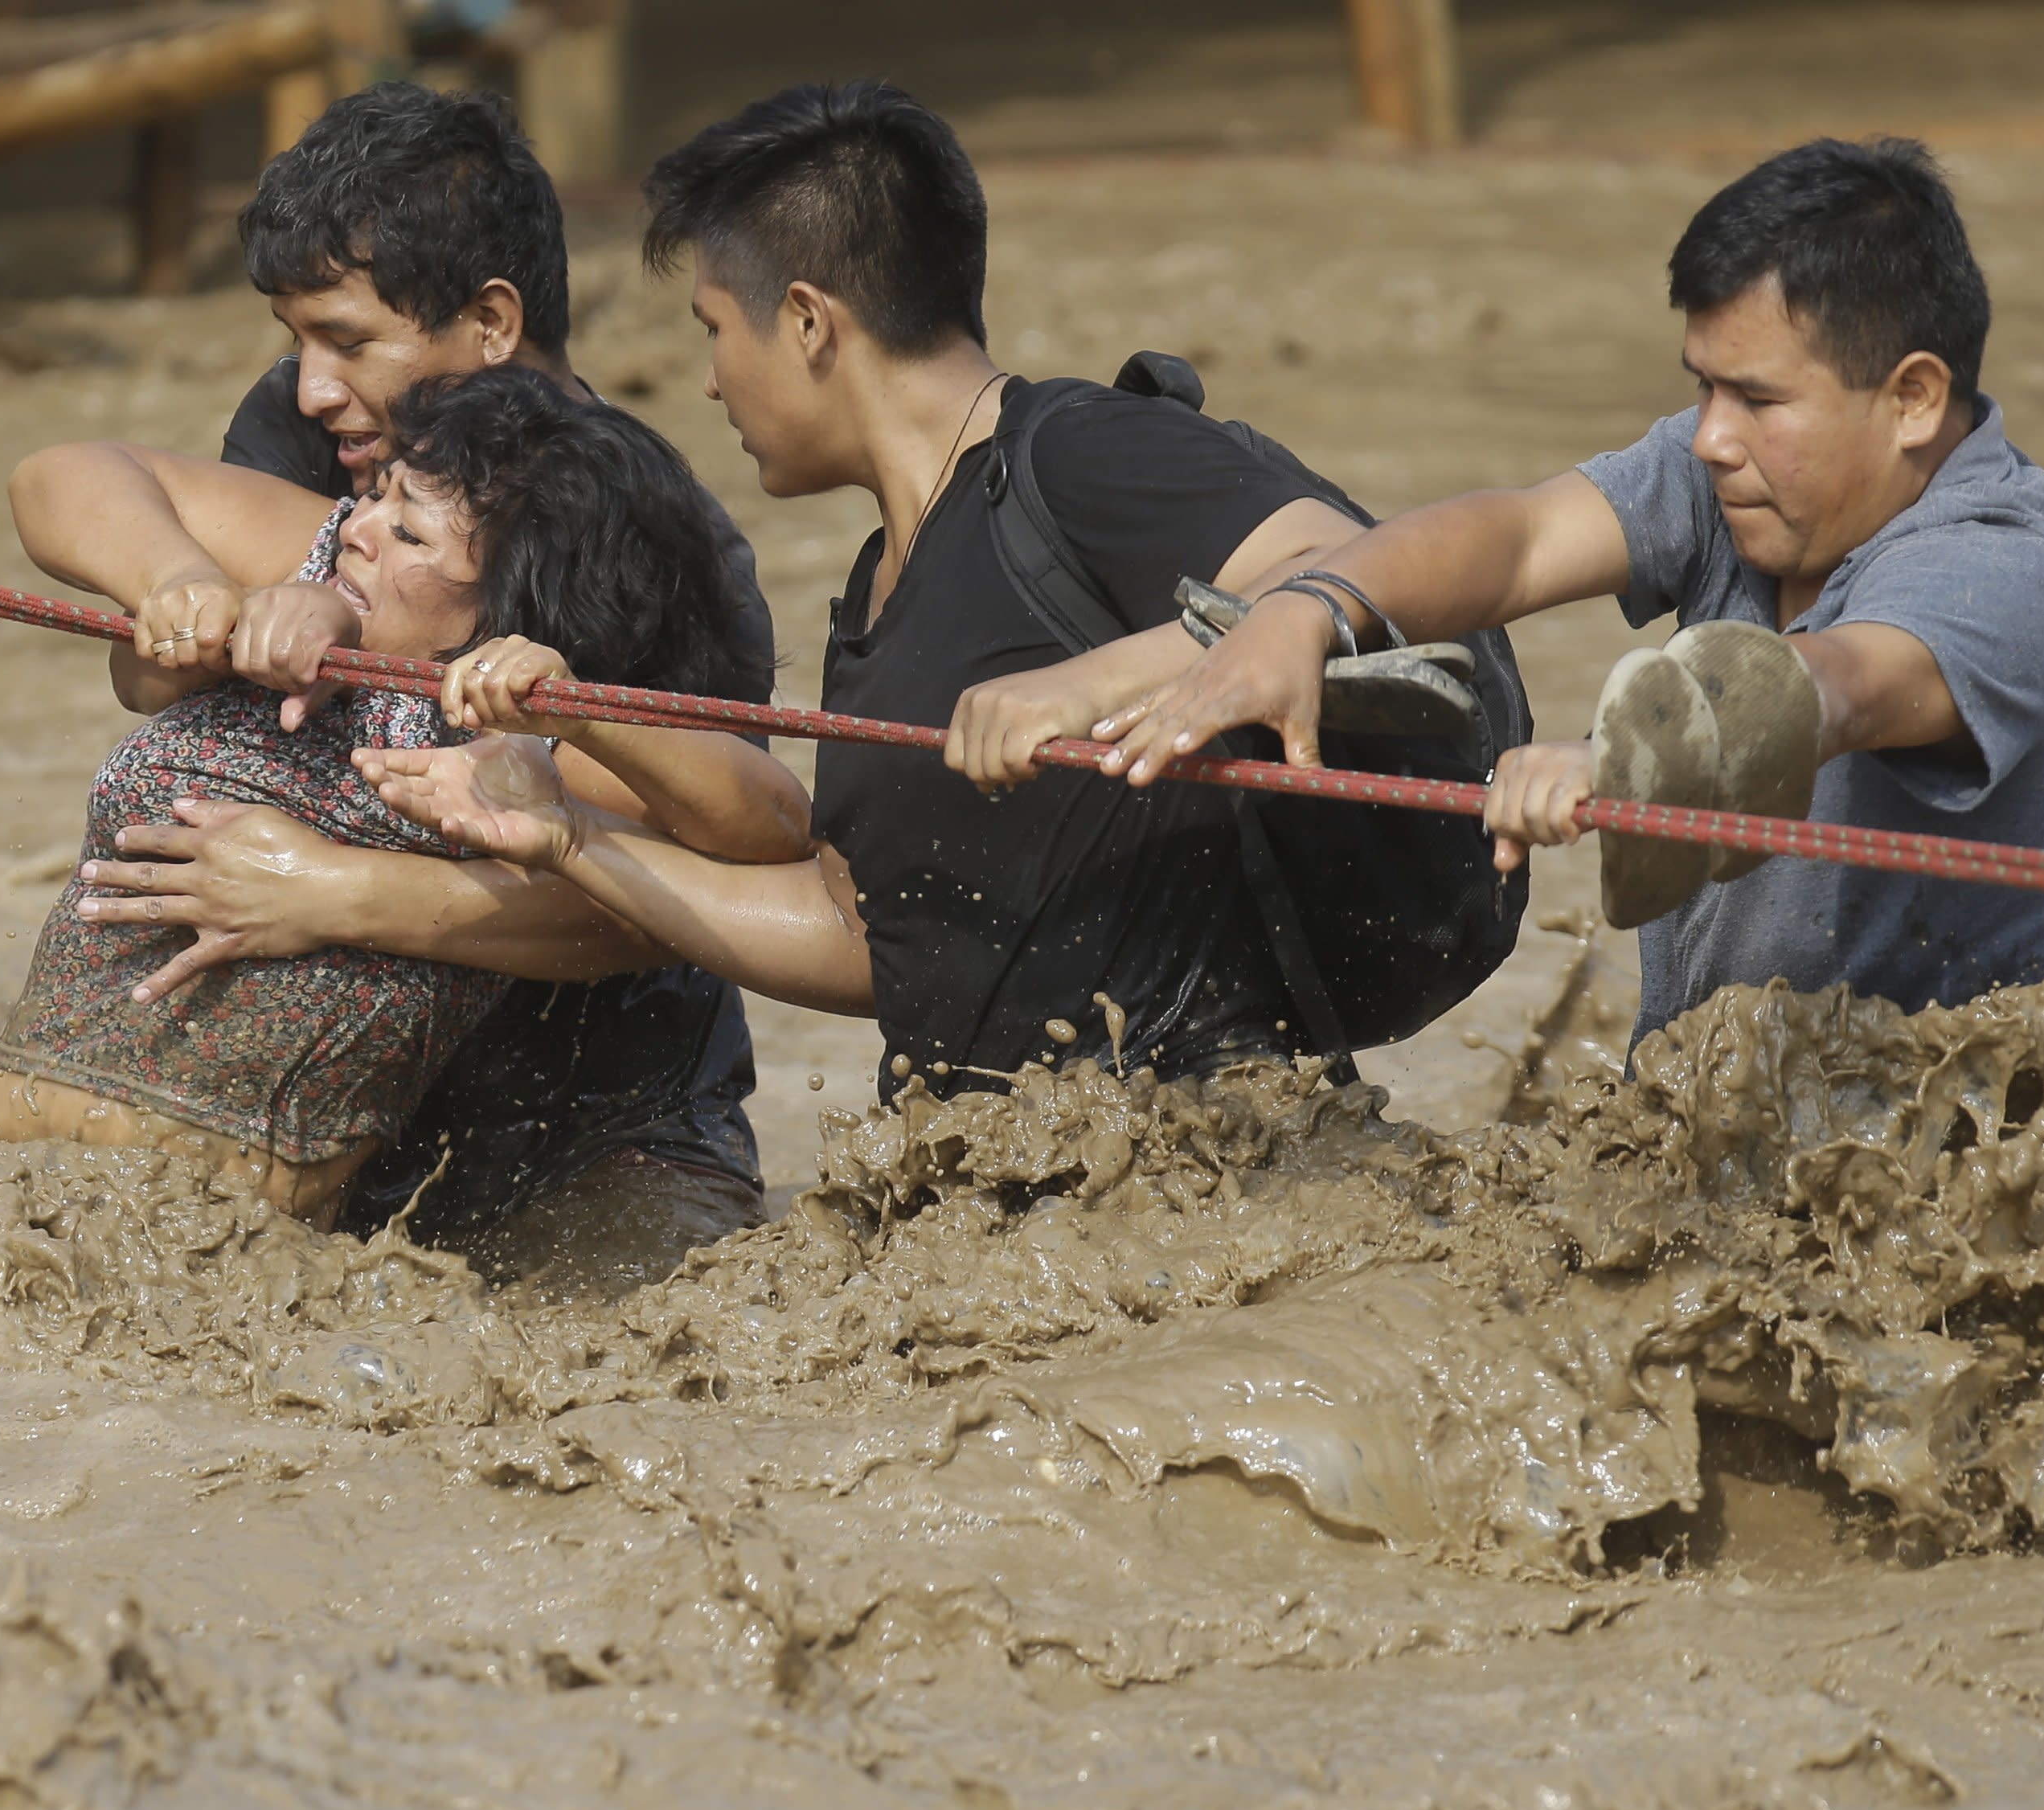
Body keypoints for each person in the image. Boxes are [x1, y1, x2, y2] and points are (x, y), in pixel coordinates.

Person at [370, 81, 1378, 1095]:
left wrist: (1091, 683)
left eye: (713, 327)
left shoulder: (1083, 450)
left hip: (1217, 1166)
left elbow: (1341, 568)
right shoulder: (884, 582)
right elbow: (862, 940)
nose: (711, 381)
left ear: (806, 322)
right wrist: (567, 837)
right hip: (1015, 1189)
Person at [1100, 136, 2044, 1044]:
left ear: (1912, 398)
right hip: (1737, 1108)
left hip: (1964, 1147)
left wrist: (1616, 756)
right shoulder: (1731, 474)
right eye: (1701, 385)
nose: (1712, 437)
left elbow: (1834, 686)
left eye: (1758, 399)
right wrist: (1305, 610)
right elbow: (1517, 535)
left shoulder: (2002, 562)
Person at [72, 81, 793, 1276]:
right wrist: (194, 593)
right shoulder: (332, 432)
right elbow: (125, 609)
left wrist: (334, 891)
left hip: (602, 1125)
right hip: (354, 1110)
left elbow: (697, 900)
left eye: (347, 341)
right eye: (294, 340)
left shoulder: (660, 545)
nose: (308, 386)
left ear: (493, 322)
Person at [0, 367, 786, 1231]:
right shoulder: (313, 559)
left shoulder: (514, 737)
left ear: (510, 607)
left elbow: (762, 836)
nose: (358, 529)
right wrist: (183, 580)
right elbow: (53, 477)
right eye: (375, 495)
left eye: (412, 534)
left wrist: (333, 889)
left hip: (212, 1267)